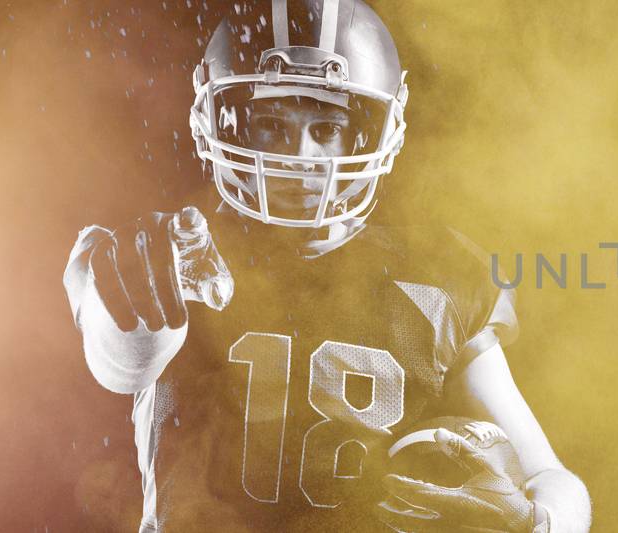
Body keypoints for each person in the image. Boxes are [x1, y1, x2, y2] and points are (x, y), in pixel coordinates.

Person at [60, 1, 590, 530]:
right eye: (271, 123)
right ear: (223, 122)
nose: (300, 155)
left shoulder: (437, 273)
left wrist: (537, 523)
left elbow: (552, 477)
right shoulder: (173, 253)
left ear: (370, 131)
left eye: (327, 128)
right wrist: (128, 311)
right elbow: (117, 362)